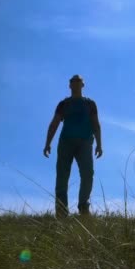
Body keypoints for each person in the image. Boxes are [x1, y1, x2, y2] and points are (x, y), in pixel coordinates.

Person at [43, 74, 103, 217]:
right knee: (62, 177)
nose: (75, 83)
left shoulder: (90, 104)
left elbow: (96, 124)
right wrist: (47, 143)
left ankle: (83, 207)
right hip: (66, 142)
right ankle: (62, 213)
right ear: (69, 85)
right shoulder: (63, 104)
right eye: (72, 81)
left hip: (85, 143)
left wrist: (99, 144)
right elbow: (55, 123)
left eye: (78, 81)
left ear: (83, 85)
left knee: (88, 174)